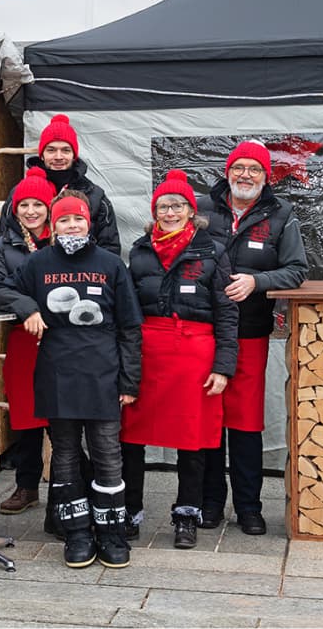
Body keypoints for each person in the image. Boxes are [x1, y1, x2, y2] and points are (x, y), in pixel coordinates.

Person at [0, 189, 142, 569]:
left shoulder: (111, 264)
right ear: (52, 225)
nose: (71, 225)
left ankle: (111, 532)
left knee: (108, 454)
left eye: (77, 218)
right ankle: (76, 532)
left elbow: (129, 327)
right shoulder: (39, 262)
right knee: (64, 456)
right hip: (57, 372)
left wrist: (129, 382)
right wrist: (27, 307)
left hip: (103, 373)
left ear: (88, 222)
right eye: (63, 220)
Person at [121, 170, 238, 549]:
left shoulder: (212, 251)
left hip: (195, 354)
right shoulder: (139, 250)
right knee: (131, 436)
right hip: (147, 353)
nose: (169, 212)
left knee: (193, 440)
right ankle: (130, 511)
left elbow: (226, 311)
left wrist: (223, 366)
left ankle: (186, 513)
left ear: (191, 210)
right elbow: (126, 309)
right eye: (162, 207)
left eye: (177, 205)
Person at [198, 140, 309, 535]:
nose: (246, 175)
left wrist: (257, 281)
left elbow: (296, 270)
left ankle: (248, 507)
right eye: (239, 167)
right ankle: (209, 504)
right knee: (207, 420)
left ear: (266, 176)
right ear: (228, 171)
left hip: (249, 333)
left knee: (244, 424)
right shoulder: (201, 209)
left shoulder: (281, 214)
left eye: (254, 169)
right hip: (203, 332)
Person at [0, 167, 55, 518]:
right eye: (23, 204)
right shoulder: (4, 245)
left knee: (63, 417)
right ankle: (27, 484)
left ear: (49, 208)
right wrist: (26, 305)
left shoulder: (67, 236)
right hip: (24, 336)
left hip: (64, 339)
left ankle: (69, 486)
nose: (30, 211)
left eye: (37, 204)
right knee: (26, 414)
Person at [0, 114, 121, 255]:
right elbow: (4, 243)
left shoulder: (94, 195)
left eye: (65, 150)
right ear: (42, 154)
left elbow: (110, 248)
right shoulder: (19, 193)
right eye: (51, 150)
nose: (58, 156)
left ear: (74, 155)